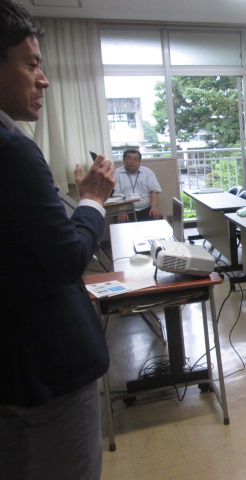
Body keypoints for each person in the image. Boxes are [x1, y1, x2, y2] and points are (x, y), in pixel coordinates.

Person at [0, 2, 115, 478]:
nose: (43, 80)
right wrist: (92, 200)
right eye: (31, 64)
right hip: (48, 362)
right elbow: (68, 258)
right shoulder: (13, 149)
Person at [113, 148, 163, 222]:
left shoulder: (148, 172)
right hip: (125, 210)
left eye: (136, 159)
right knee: (122, 223)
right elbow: (116, 195)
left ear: (140, 162)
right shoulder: (116, 174)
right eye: (129, 158)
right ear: (124, 160)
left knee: (158, 220)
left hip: (146, 209)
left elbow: (154, 191)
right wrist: (121, 211)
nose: (132, 161)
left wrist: (154, 208)